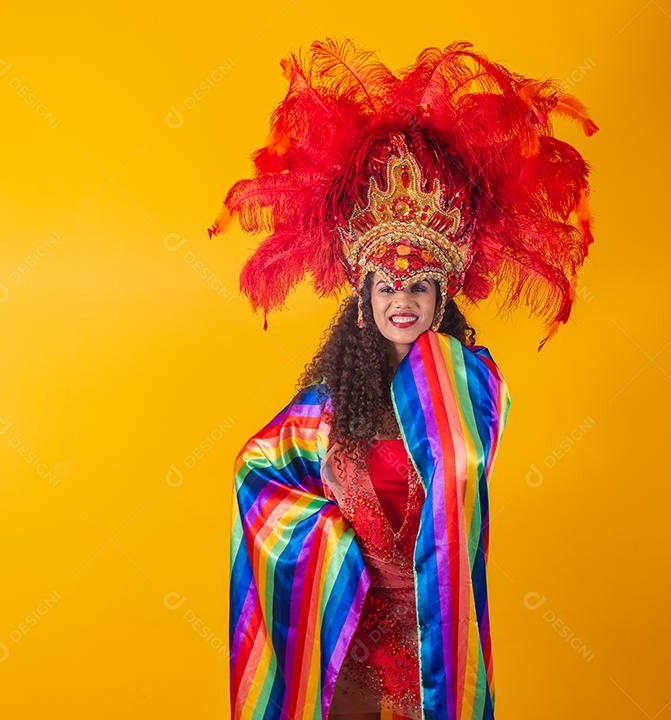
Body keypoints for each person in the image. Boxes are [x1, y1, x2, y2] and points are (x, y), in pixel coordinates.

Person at [212, 38, 598, 720]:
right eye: (388, 285)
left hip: (434, 636)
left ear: (442, 299)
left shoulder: (471, 391)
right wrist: (327, 547)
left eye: (420, 287)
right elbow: (256, 476)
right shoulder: (323, 412)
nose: (403, 300)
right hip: (346, 631)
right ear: (361, 299)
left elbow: (463, 487)